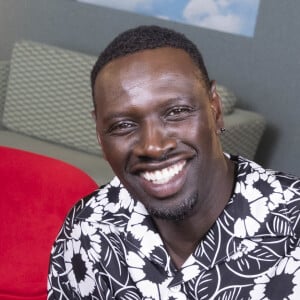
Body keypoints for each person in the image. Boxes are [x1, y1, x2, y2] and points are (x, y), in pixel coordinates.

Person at [47, 25, 300, 300]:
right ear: (99, 135)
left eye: (177, 111)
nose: (153, 147)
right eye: (123, 125)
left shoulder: (292, 230)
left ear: (214, 110)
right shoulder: (89, 228)